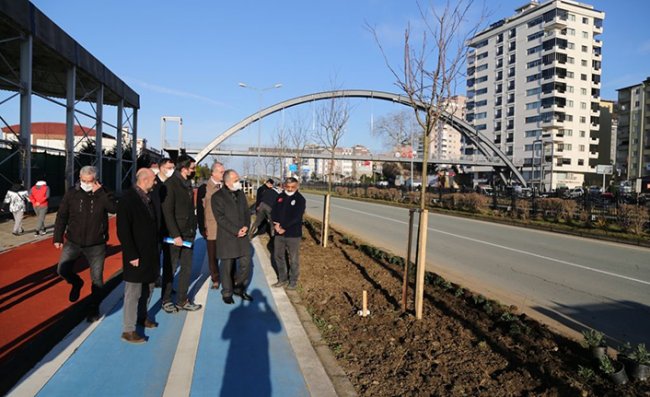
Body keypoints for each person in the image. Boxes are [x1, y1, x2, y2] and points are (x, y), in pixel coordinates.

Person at [53, 166, 116, 322]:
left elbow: (114, 208)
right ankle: (76, 282)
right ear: (79, 178)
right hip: (74, 241)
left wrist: (100, 193)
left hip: (96, 244)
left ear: (95, 179)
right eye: (84, 181)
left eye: (90, 181)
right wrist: (57, 237)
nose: (87, 183)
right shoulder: (72, 194)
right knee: (62, 270)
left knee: (97, 278)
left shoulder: (104, 192)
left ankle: (94, 308)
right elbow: (62, 215)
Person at [116, 168, 160, 344]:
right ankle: (128, 329)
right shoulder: (128, 199)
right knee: (133, 292)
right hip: (136, 254)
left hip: (149, 252)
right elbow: (123, 230)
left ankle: (142, 317)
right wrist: (131, 254)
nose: (155, 182)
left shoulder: (147, 198)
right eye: (154, 179)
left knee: (148, 287)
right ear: (145, 179)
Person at [161, 154, 202, 312]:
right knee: (170, 268)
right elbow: (167, 212)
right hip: (175, 236)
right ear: (184, 169)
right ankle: (166, 300)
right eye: (192, 168)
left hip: (189, 233)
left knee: (186, 268)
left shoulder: (187, 183)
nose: (194, 170)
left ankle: (182, 300)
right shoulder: (171, 185)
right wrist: (175, 234)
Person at [212, 169, 253, 304]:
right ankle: (227, 292)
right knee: (227, 267)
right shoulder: (217, 197)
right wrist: (236, 230)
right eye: (236, 180)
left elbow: (247, 213)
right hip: (228, 237)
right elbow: (220, 218)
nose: (238, 182)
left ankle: (239, 288)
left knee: (246, 264)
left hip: (243, 236)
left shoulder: (240, 194)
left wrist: (246, 226)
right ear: (228, 181)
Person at [271, 177, 306, 290]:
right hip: (278, 233)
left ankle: (293, 281)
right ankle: (282, 279)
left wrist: (284, 227)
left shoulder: (300, 199)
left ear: (297, 187)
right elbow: (273, 211)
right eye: (288, 187)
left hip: (293, 234)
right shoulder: (280, 197)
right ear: (284, 186)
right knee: (278, 256)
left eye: (293, 187)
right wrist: (276, 224)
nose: (290, 189)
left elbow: (297, 217)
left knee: (293, 258)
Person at [196, 161, 225, 289]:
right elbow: (200, 210)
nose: (223, 174)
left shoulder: (227, 187)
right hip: (211, 227)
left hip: (226, 228)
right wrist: (202, 228)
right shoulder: (204, 188)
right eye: (221, 172)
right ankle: (215, 278)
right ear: (213, 173)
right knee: (212, 255)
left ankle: (230, 277)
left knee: (228, 254)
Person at [150, 158, 174, 288]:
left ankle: (167, 283)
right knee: (155, 255)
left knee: (170, 258)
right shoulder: (154, 184)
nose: (171, 170)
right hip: (157, 228)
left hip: (170, 228)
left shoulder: (172, 183)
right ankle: (156, 278)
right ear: (161, 168)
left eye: (172, 168)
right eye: (169, 168)